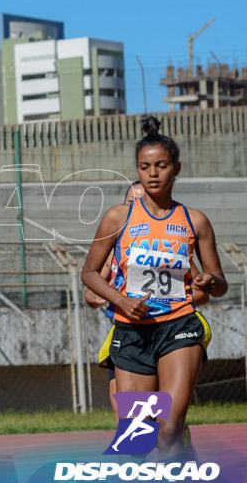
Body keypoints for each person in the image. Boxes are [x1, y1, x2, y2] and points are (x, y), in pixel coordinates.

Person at [82, 115, 227, 460]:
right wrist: (121, 300)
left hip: (179, 328)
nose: (152, 173)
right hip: (132, 333)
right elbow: (89, 273)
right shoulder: (119, 217)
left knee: (168, 429)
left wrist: (210, 280)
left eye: (161, 165)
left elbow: (219, 283)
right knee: (137, 439)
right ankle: (179, 466)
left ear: (176, 168)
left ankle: (181, 477)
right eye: (144, 166)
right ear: (137, 169)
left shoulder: (195, 220)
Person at [86, 181, 212, 427]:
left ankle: (176, 441)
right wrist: (117, 297)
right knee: (134, 426)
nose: (143, 206)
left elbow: (201, 292)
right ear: (125, 204)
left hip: (173, 328)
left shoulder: (174, 240)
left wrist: (172, 299)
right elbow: (90, 295)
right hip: (128, 335)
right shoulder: (115, 247)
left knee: (167, 423)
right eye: (133, 202)